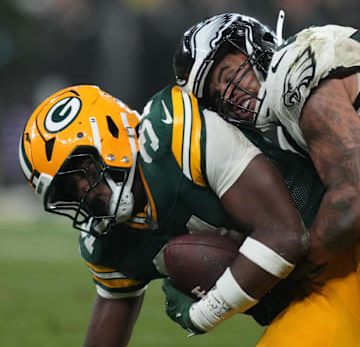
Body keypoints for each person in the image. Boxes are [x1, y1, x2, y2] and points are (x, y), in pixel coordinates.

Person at [19, 84, 322, 346]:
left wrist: (203, 314)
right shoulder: (108, 241)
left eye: (83, 171)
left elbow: (285, 235)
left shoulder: (176, 133)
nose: (85, 191)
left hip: (342, 252)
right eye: (70, 190)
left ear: (111, 133)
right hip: (305, 299)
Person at [171, 12, 360, 345]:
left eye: (229, 74)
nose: (230, 95)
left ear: (255, 45)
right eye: (217, 96)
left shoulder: (293, 67)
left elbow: (351, 199)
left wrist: (295, 270)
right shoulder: (286, 133)